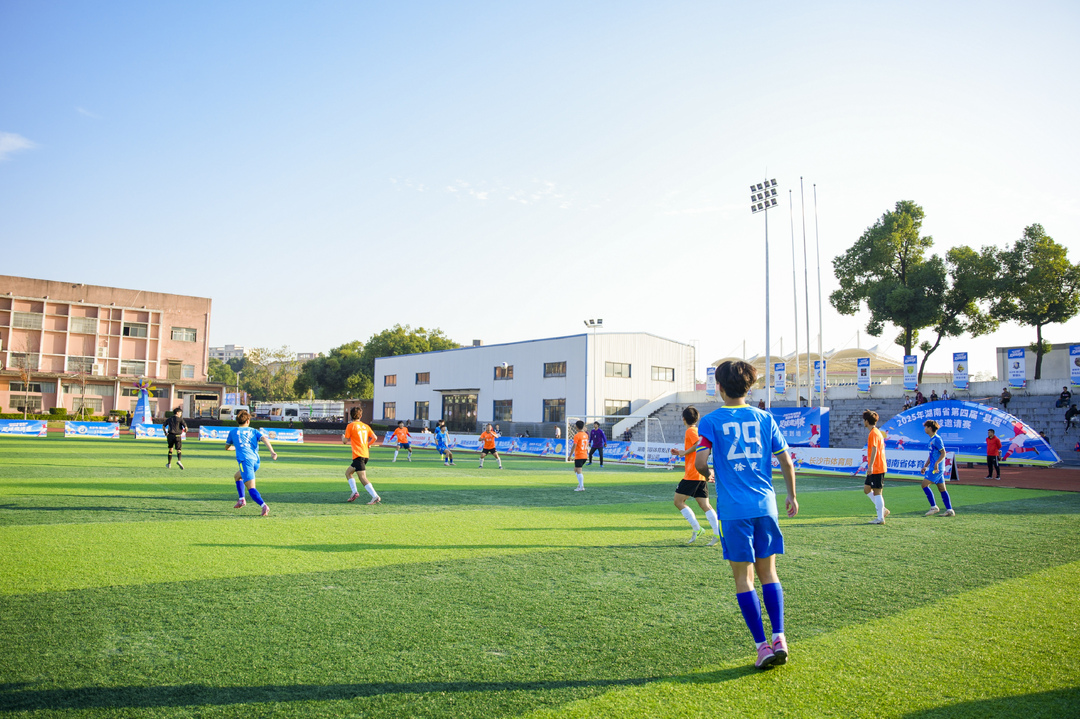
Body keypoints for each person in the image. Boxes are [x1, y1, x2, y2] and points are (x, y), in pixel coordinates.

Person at [694, 360, 798, 670]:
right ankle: (780, 637)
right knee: (769, 573)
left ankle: (762, 647)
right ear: (749, 387)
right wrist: (791, 495)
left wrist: (708, 473)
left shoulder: (711, 421)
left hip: (734, 511)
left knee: (744, 578)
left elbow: (700, 461)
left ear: (719, 387)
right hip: (766, 506)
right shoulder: (765, 418)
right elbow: (786, 461)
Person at [670, 406, 720, 545]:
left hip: (692, 473)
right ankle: (717, 533)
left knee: (678, 501)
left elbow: (698, 443)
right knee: (705, 505)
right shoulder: (697, 430)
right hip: (699, 474)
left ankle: (697, 529)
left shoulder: (690, 431)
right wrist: (682, 452)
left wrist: (684, 452)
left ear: (683, 419)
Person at [225, 409, 277, 516]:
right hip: (256, 461)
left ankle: (264, 506)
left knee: (251, 488)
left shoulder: (233, 432)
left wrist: (238, 447)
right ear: (248, 421)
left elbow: (227, 447)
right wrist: (272, 452)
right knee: (237, 476)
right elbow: (264, 439)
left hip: (245, 461)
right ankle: (241, 499)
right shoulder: (253, 431)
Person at [342, 406, 381, 504]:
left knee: (362, 477)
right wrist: (368, 444)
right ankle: (354, 492)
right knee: (348, 473)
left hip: (358, 455)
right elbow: (375, 437)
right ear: (360, 416)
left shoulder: (351, 426)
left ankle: (375, 496)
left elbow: (345, 441)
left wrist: (342, 437)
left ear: (351, 416)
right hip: (365, 454)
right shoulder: (366, 426)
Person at [920, 420, 955, 517]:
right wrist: (925, 466)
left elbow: (943, 453)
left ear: (930, 428)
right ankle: (949, 510)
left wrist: (937, 463)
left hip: (936, 469)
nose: (925, 429)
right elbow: (931, 455)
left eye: (926, 427)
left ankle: (934, 507)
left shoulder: (937, 439)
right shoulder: (932, 439)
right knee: (942, 489)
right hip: (935, 467)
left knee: (924, 485)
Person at [862, 410, 889, 525]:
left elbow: (874, 449)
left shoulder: (873, 433)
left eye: (864, 420)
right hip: (878, 466)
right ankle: (883, 510)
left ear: (867, 421)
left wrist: (870, 466)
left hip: (877, 467)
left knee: (877, 492)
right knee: (867, 489)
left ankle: (880, 518)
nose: (863, 422)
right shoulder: (877, 432)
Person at [570, 420, 588, 491]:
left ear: (576, 427)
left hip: (579, 455)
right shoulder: (586, 435)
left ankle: (581, 487)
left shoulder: (577, 435)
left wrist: (570, 455)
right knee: (576, 469)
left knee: (579, 470)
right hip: (584, 455)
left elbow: (574, 445)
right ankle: (580, 485)